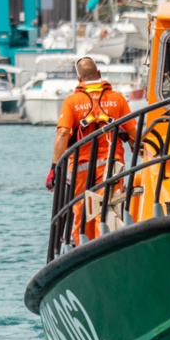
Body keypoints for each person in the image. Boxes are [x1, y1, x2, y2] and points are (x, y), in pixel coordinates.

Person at [46, 57, 136, 243]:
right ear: (100, 75)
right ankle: (108, 247)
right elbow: (133, 132)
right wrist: (139, 149)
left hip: (81, 168)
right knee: (107, 209)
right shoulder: (117, 99)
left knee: (81, 211)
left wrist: (54, 168)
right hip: (112, 166)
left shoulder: (72, 102)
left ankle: (83, 249)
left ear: (79, 79)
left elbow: (63, 133)